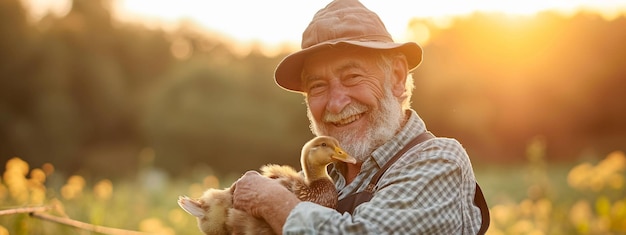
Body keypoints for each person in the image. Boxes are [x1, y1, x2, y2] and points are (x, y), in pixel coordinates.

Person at [232, 0, 488, 234]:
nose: (336, 102)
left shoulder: (439, 161)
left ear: (398, 77)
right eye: (318, 86)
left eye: (352, 77)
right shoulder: (314, 182)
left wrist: (272, 203)